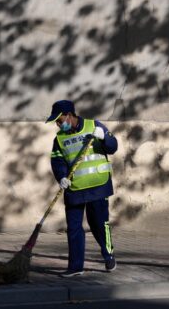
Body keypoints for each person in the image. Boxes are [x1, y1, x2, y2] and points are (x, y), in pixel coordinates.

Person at [45, 99, 118, 277]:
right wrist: (61, 176)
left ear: (70, 116)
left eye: (60, 120)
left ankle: (108, 255)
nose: (58, 124)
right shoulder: (60, 138)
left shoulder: (94, 126)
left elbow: (113, 147)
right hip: (74, 188)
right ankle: (76, 267)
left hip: (98, 186)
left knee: (99, 224)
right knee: (74, 228)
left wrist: (105, 137)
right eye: (56, 121)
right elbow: (57, 160)